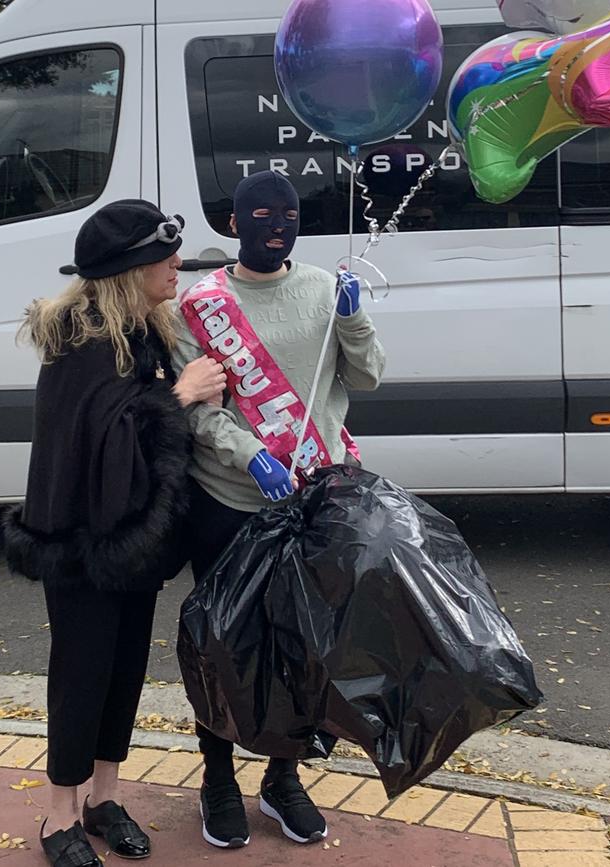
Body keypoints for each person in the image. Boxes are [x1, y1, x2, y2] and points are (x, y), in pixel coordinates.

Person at [3, 199, 226, 867]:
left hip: (129, 539)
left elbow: (131, 432)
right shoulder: (83, 339)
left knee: (125, 667)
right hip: (79, 543)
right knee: (82, 672)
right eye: (165, 258)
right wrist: (178, 395)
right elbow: (108, 435)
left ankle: (103, 797)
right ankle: (59, 816)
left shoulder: (143, 328)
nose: (176, 266)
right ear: (132, 269)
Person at [173, 170, 385, 849]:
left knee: (304, 646)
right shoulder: (201, 304)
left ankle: (283, 777)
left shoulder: (324, 287)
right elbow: (201, 411)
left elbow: (368, 376)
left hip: (315, 498)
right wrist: (249, 454)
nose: (276, 225)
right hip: (230, 503)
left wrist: (353, 317)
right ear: (234, 225)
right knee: (223, 644)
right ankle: (216, 777)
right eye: (260, 214)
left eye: (288, 214)